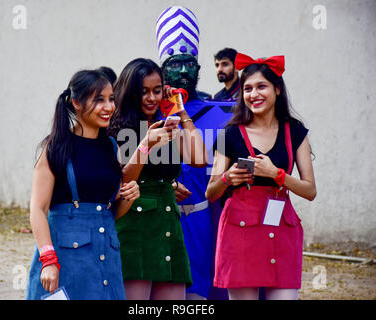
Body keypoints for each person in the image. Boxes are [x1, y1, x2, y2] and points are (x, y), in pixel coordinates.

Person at [206, 52, 317, 300]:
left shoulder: (295, 131)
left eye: (261, 86)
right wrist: (227, 179)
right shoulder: (230, 134)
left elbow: (310, 191)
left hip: (282, 230)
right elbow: (210, 193)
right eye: (247, 88)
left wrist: (276, 174)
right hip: (240, 232)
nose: (253, 94)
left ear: (278, 89)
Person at [26, 69, 140, 300]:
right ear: (76, 102)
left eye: (111, 99)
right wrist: (48, 260)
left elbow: (113, 212)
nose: (108, 107)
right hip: (65, 261)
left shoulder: (110, 146)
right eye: (99, 100)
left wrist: (129, 197)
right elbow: (37, 209)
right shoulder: (55, 147)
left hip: (106, 258)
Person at [108, 58, 207, 300]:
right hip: (134, 226)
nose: (152, 98)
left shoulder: (166, 124)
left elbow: (200, 158)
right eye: (144, 92)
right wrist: (146, 144)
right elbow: (123, 181)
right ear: (130, 92)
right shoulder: (116, 128)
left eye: (156, 90)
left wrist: (180, 110)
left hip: (167, 226)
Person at [155, 6, 235, 300]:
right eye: (176, 64)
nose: (184, 71)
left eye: (190, 64)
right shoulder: (146, 111)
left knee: (201, 288)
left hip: (204, 218)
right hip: (157, 216)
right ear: (164, 68)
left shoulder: (222, 113)